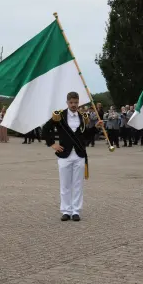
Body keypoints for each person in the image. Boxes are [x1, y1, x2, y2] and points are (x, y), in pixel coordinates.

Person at [42, 91, 103, 222]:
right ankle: (66, 210)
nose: (74, 105)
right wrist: (52, 144)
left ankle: (76, 211)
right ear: (67, 102)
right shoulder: (59, 116)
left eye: (76, 102)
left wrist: (96, 128)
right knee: (65, 185)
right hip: (64, 155)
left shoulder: (83, 116)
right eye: (71, 102)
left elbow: (85, 135)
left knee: (78, 184)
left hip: (80, 154)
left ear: (78, 102)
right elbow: (45, 129)